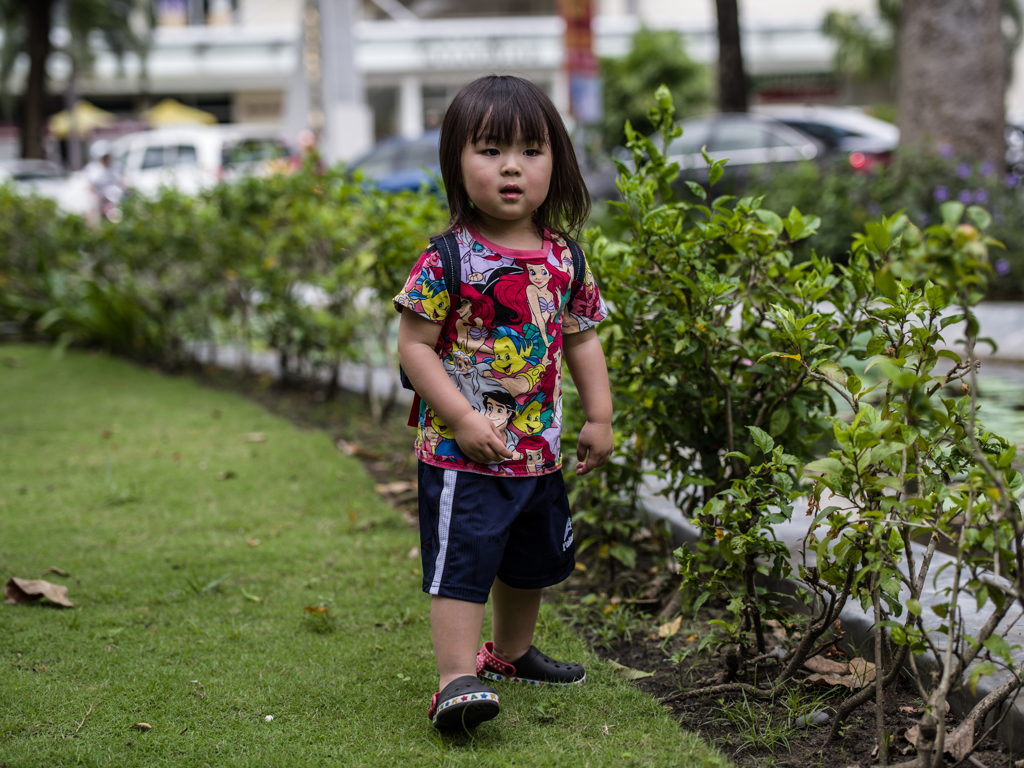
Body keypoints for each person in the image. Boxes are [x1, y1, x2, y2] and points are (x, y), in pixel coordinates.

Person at [394, 74, 613, 731]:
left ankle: (511, 653)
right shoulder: (446, 260)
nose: (512, 166)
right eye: (489, 150)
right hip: (464, 457)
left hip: (537, 453)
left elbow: (583, 338)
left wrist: (600, 416)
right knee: (463, 566)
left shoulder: (565, 258)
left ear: (558, 162)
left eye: (531, 150)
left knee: (528, 564)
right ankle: (455, 677)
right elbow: (414, 347)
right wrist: (460, 419)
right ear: (457, 164)